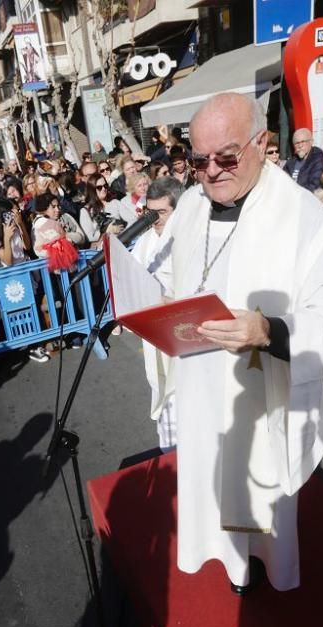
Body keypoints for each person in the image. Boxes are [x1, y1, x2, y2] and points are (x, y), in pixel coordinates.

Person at [146, 92, 323, 594]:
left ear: (262, 143)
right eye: (199, 161)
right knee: (205, 473)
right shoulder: (192, 204)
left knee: (256, 488)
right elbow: (172, 275)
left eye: (226, 156)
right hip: (200, 378)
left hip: (258, 387)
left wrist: (267, 331)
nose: (211, 172)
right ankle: (217, 552)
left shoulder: (302, 216)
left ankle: (261, 565)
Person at [132, 177, 183, 451]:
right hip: (156, 334)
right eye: (150, 212)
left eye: (161, 212)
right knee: (165, 395)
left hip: (189, 334)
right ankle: (170, 457)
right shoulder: (146, 241)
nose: (154, 219)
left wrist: (171, 302)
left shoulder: (192, 238)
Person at [78, 174, 124, 249]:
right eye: (99, 187)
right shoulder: (86, 211)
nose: (103, 189)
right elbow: (90, 236)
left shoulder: (115, 202)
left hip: (122, 241)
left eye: (105, 186)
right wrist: (106, 231)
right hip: (102, 250)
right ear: (92, 189)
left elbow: (129, 219)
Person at [0, 198, 32, 268]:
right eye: (8, 213)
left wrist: (21, 224)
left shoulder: (14, 225)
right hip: (10, 273)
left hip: (24, 265)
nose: (11, 215)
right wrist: (7, 238)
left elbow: (27, 246)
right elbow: (8, 261)